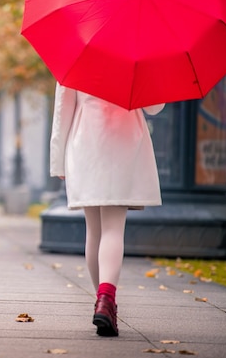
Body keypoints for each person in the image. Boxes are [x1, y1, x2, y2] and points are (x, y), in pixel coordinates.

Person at [49, 84, 164, 337]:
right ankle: (106, 299)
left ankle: (102, 301)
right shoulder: (136, 50)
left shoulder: (77, 52)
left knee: (94, 231)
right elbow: (155, 107)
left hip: (86, 141)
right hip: (123, 141)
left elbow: (62, 109)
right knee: (114, 229)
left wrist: (58, 160)